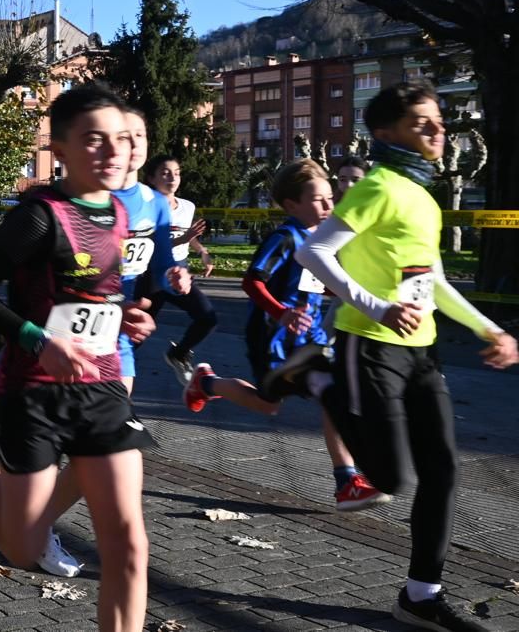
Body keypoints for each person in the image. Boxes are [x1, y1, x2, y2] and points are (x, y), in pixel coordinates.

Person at [0, 82, 157, 632]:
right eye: (94, 140)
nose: (113, 152)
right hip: (33, 393)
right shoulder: (38, 218)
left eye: (119, 139)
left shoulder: (117, 210)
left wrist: (127, 312)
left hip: (102, 387)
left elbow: (94, 293)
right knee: (21, 550)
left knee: (129, 545)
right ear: (60, 150)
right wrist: (38, 338)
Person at [284, 81, 518, 632]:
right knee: (388, 478)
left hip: (421, 353)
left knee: (443, 472)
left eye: (438, 121)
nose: (437, 130)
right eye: (422, 123)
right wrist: (377, 307)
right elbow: (311, 250)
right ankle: (317, 378)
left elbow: (431, 281)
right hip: (369, 347)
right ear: (387, 133)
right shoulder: (380, 186)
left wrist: (490, 328)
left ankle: (420, 596)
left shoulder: (424, 195)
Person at [180, 159, 386, 511]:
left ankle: (347, 480)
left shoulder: (325, 241)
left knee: (334, 396)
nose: (328, 206)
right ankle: (207, 383)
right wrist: (282, 312)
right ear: (292, 205)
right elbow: (252, 281)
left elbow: (320, 287)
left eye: (329, 199)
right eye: (318, 200)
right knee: (268, 405)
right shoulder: (284, 238)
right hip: (271, 335)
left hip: (311, 336)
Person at [110, 113, 191, 393]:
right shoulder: (87, 197)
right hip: (72, 329)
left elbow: (162, 264)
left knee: (119, 416)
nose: (133, 142)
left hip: (120, 330)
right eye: (124, 135)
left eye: (140, 135)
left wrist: (175, 277)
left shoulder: (154, 202)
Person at [137, 155, 221, 387]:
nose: (173, 177)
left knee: (208, 317)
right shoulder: (145, 207)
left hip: (179, 274)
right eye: (165, 172)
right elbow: (150, 242)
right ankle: (106, 375)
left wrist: (202, 250)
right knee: (136, 335)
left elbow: (189, 237)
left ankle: (180, 353)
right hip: (151, 275)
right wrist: (183, 238)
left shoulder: (187, 206)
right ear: (152, 178)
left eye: (177, 172)